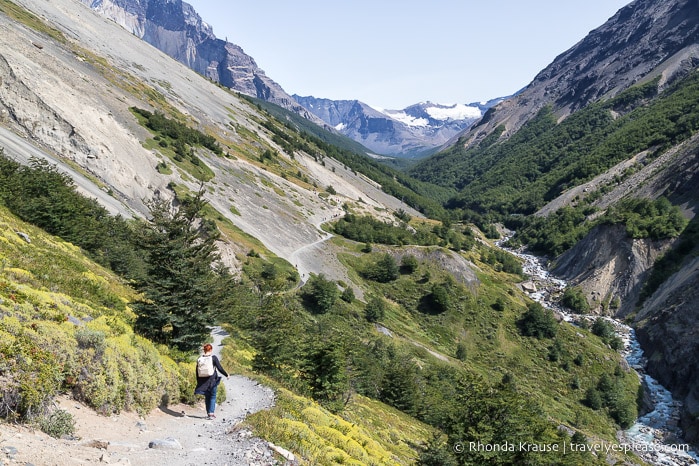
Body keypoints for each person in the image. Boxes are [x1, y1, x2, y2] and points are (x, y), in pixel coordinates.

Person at [194, 343, 229, 419]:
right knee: (213, 396)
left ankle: (208, 413)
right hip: (212, 380)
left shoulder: (200, 359)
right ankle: (211, 413)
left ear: (204, 350)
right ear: (211, 350)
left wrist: (198, 381)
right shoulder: (213, 358)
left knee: (207, 397)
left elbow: (197, 371)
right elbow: (220, 368)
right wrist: (226, 375)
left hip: (203, 381)